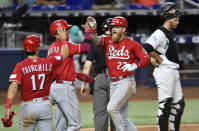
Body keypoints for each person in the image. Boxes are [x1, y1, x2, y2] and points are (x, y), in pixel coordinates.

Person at [83, 16, 150, 131]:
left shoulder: (132, 44)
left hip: (126, 81)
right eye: (113, 26)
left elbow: (146, 58)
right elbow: (96, 40)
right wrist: (92, 30)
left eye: (117, 27)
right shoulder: (107, 40)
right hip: (113, 82)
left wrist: (135, 65)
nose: (114, 29)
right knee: (122, 118)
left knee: (111, 108)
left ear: (124, 29)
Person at [3, 33, 68, 131]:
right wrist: (63, 39)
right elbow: (64, 54)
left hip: (28, 107)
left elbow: (13, 87)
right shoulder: (49, 62)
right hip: (44, 105)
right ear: (37, 48)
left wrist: (8, 107)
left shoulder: (20, 66)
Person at [143, 2, 185, 131]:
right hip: (164, 71)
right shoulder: (160, 32)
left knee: (179, 104)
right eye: (176, 20)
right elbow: (147, 46)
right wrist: (159, 58)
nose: (178, 22)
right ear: (168, 18)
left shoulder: (171, 32)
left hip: (173, 70)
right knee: (165, 104)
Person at [47, 19, 91, 131]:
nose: (68, 32)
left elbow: (57, 69)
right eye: (65, 30)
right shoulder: (66, 45)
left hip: (54, 88)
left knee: (61, 126)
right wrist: (87, 32)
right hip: (64, 88)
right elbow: (87, 47)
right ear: (57, 34)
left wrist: (74, 74)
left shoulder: (51, 48)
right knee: (76, 124)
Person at [81, 18, 116, 131]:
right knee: (116, 112)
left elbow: (87, 66)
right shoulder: (118, 43)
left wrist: (84, 84)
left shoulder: (96, 43)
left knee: (100, 113)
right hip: (116, 79)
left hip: (99, 79)